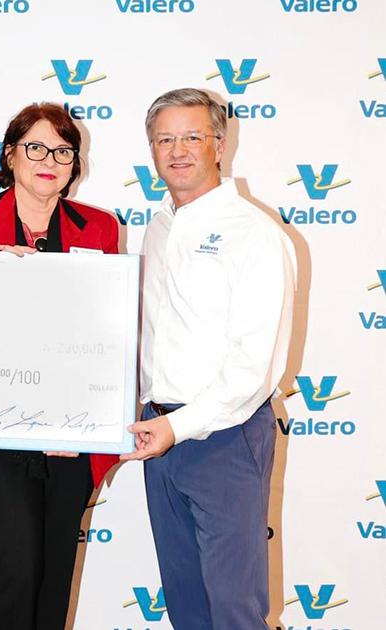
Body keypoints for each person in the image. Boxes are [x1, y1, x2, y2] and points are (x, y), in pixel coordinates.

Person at [0, 102, 119, 630]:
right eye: (35, 147)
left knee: (53, 574)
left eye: (63, 150)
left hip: (70, 431)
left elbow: (108, 332)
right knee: (15, 567)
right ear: (10, 155)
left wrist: (88, 422)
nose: (50, 160)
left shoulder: (99, 228)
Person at [120, 88, 296, 629]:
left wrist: (179, 426)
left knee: (234, 605)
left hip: (226, 433)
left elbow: (253, 367)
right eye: (164, 139)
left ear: (219, 144)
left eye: (192, 137)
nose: (177, 150)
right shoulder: (157, 227)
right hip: (161, 431)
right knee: (187, 603)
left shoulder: (255, 235)